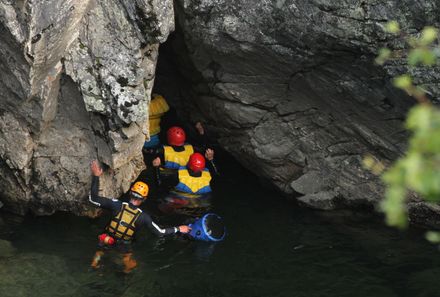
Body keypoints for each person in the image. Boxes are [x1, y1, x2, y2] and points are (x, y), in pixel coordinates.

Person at [88, 160, 190, 273]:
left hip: (106, 238)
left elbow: (93, 199)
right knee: (130, 265)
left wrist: (96, 176)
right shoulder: (143, 217)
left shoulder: (116, 204)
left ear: (130, 192)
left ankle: (94, 265)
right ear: (144, 199)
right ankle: (124, 276)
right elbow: (160, 232)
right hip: (124, 246)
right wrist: (179, 228)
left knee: (100, 250)